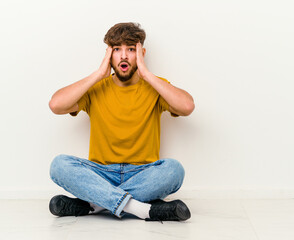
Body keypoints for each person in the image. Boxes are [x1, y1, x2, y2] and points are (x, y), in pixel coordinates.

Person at [48, 22, 195, 222]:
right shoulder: (96, 87)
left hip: (142, 172)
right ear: (109, 55)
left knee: (174, 170)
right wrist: (99, 74)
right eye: (117, 49)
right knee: (59, 165)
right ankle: (142, 209)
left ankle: (95, 205)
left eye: (131, 49)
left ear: (141, 53)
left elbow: (187, 106)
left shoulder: (155, 86)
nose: (124, 55)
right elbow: (56, 104)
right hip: (102, 172)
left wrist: (146, 73)